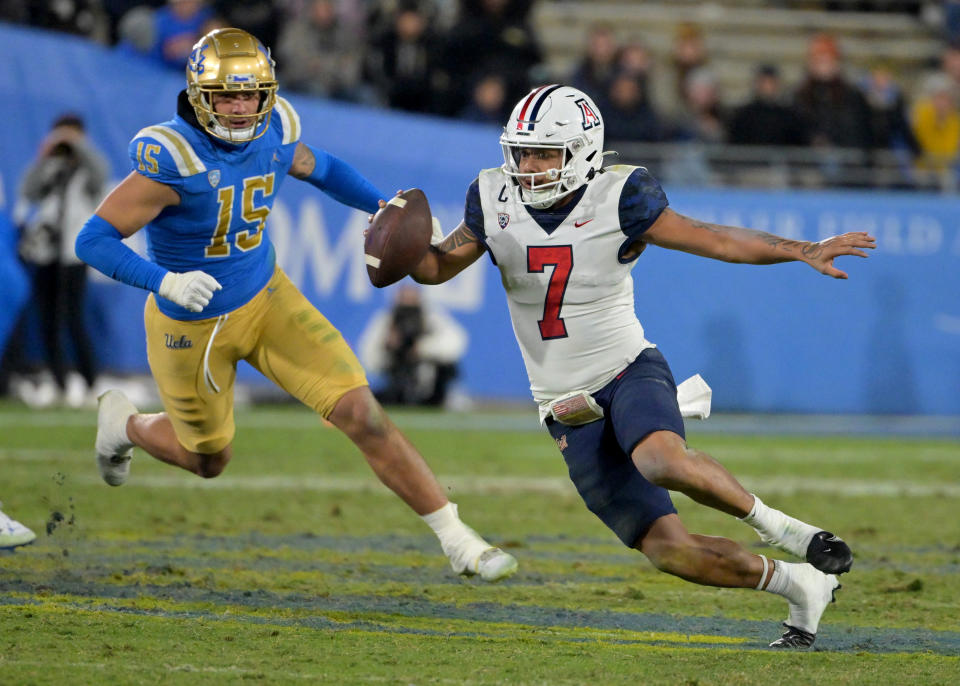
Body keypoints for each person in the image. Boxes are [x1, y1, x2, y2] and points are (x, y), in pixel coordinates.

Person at [407, 84, 874, 648]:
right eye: (522, 151)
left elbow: (716, 238)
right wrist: (402, 250)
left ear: (582, 151)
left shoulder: (621, 195)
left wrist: (803, 249)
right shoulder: (490, 197)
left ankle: (789, 533)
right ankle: (800, 586)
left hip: (627, 369)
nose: (528, 167)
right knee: (670, 552)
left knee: (659, 459)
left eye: (544, 153)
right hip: (562, 405)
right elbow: (436, 270)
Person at [73, 27, 516, 583]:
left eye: (250, 94)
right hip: (191, 324)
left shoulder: (277, 128)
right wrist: (163, 282)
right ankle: (127, 426)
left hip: (267, 297)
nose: (239, 108)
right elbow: (91, 240)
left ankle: (457, 539)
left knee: (361, 411)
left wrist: (380, 209)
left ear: (267, 92)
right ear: (198, 96)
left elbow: (322, 168)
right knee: (209, 459)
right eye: (225, 96)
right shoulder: (174, 158)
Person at [13, 113, 108, 407]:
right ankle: (58, 382)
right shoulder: (49, 168)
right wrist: (45, 155)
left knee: (74, 318)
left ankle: (91, 382)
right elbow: (28, 192)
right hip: (46, 252)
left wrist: (78, 146)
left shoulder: (86, 168)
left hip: (73, 253)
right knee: (48, 321)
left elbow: (100, 175)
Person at [358, 284, 467, 407]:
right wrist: (388, 348)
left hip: (431, 382)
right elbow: (369, 359)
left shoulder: (432, 317)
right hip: (399, 380)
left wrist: (421, 348)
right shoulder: (386, 321)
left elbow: (455, 345)